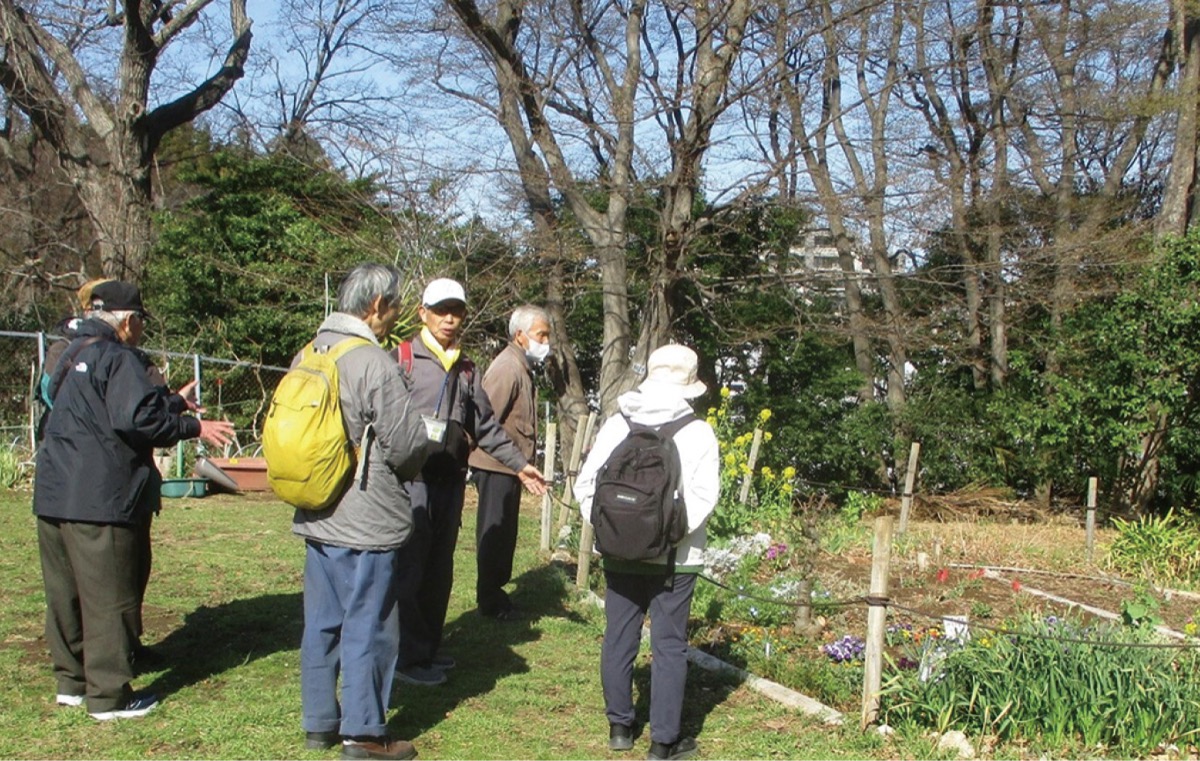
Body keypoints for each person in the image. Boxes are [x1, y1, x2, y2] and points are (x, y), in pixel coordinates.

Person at [33, 280, 236, 721]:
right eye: (141, 321)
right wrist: (193, 428)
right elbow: (136, 419)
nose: (141, 329)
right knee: (110, 595)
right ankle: (108, 695)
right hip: (99, 498)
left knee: (64, 594)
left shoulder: (69, 352)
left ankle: (71, 681)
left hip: (53, 493)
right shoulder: (118, 357)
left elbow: (113, 409)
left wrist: (171, 402)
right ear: (128, 321)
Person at [291, 263, 430, 761]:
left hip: (317, 509)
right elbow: (407, 443)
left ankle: (319, 722)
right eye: (393, 307)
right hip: (366, 515)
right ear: (376, 307)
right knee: (369, 623)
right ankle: (365, 735)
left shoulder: (308, 351)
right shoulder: (372, 360)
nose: (393, 317)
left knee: (322, 621)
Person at [393, 278, 548, 687]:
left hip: (449, 484)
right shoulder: (401, 359)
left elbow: (486, 426)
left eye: (456, 311)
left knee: (439, 571)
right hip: (409, 484)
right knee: (409, 569)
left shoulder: (466, 368)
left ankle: (426, 648)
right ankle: (406, 659)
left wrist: (519, 465)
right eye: (441, 310)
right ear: (421, 313)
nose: (449, 318)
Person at [573, 344, 720, 761]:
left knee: (619, 636)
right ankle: (663, 742)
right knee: (670, 644)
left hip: (619, 550)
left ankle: (620, 727)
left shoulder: (617, 424)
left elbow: (587, 486)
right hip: (678, 557)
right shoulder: (698, 432)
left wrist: (613, 529)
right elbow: (705, 496)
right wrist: (666, 534)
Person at [468, 304, 552, 619]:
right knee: (494, 533)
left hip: (510, 466)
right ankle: (489, 601)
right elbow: (483, 417)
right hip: (495, 465)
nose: (546, 342)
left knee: (505, 534)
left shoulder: (520, 366)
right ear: (520, 335)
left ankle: (495, 595)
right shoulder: (507, 368)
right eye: (541, 335)